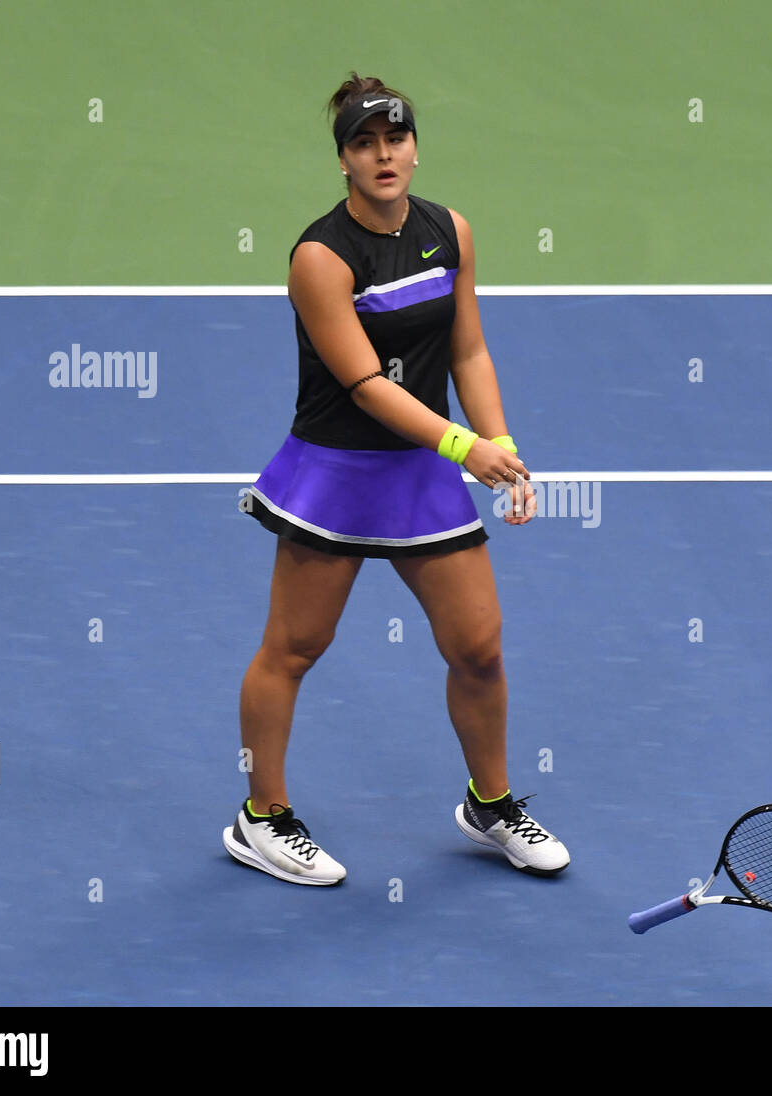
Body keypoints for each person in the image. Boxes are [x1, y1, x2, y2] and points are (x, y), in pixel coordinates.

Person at [221, 72, 568, 885]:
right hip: (338, 473)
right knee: (295, 648)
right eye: (364, 143)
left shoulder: (449, 230)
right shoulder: (320, 257)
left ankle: (491, 804)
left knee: (478, 647)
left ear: (414, 147)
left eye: (395, 139)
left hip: (422, 468)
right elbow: (367, 386)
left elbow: (467, 349)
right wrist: (464, 449)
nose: (383, 155)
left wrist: (501, 444)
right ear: (342, 158)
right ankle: (261, 817)